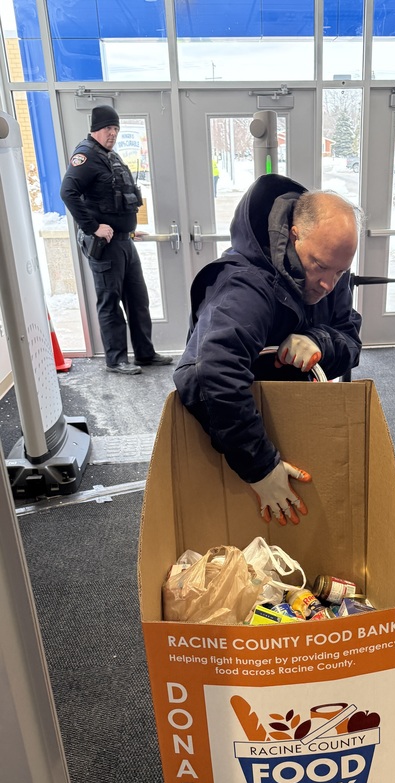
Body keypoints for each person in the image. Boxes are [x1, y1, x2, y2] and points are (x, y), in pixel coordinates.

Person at [174, 173, 362, 525]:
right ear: (294, 236)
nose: (328, 284)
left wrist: (318, 340)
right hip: (237, 440)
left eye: (341, 272)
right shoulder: (245, 284)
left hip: (296, 418)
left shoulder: (330, 264)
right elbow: (207, 373)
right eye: (320, 267)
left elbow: (350, 339)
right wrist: (260, 467)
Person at [60, 105, 173, 376]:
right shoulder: (85, 157)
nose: (112, 133)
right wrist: (92, 227)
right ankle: (116, 360)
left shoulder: (109, 156)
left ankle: (145, 353)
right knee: (110, 302)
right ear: (95, 129)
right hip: (106, 246)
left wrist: (130, 230)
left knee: (138, 299)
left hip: (124, 242)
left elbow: (114, 198)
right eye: (108, 128)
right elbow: (68, 192)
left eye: (115, 129)